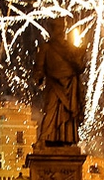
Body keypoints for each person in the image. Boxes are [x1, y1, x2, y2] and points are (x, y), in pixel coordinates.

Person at [33, 17, 86, 146]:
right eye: (57, 28)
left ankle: (64, 139)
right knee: (51, 111)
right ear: (53, 30)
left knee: (65, 114)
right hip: (54, 85)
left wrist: (81, 55)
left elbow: (79, 67)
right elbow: (39, 67)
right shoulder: (46, 48)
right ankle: (45, 138)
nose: (60, 31)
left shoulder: (70, 49)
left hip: (69, 86)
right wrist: (38, 77)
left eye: (61, 28)